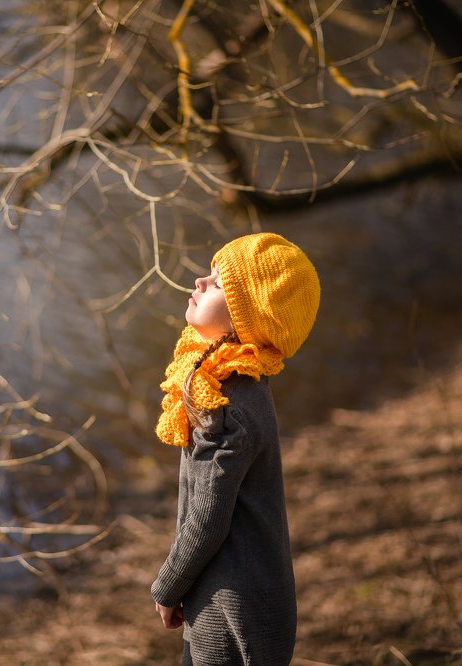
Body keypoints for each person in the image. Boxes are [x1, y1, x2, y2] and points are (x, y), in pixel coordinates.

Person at [151, 232, 320, 665]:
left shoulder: (223, 406)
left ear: (247, 319)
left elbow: (207, 518)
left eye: (219, 282)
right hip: (248, 587)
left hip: (229, 605)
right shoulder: (236, 379)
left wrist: (168, 586)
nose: (199, 281)